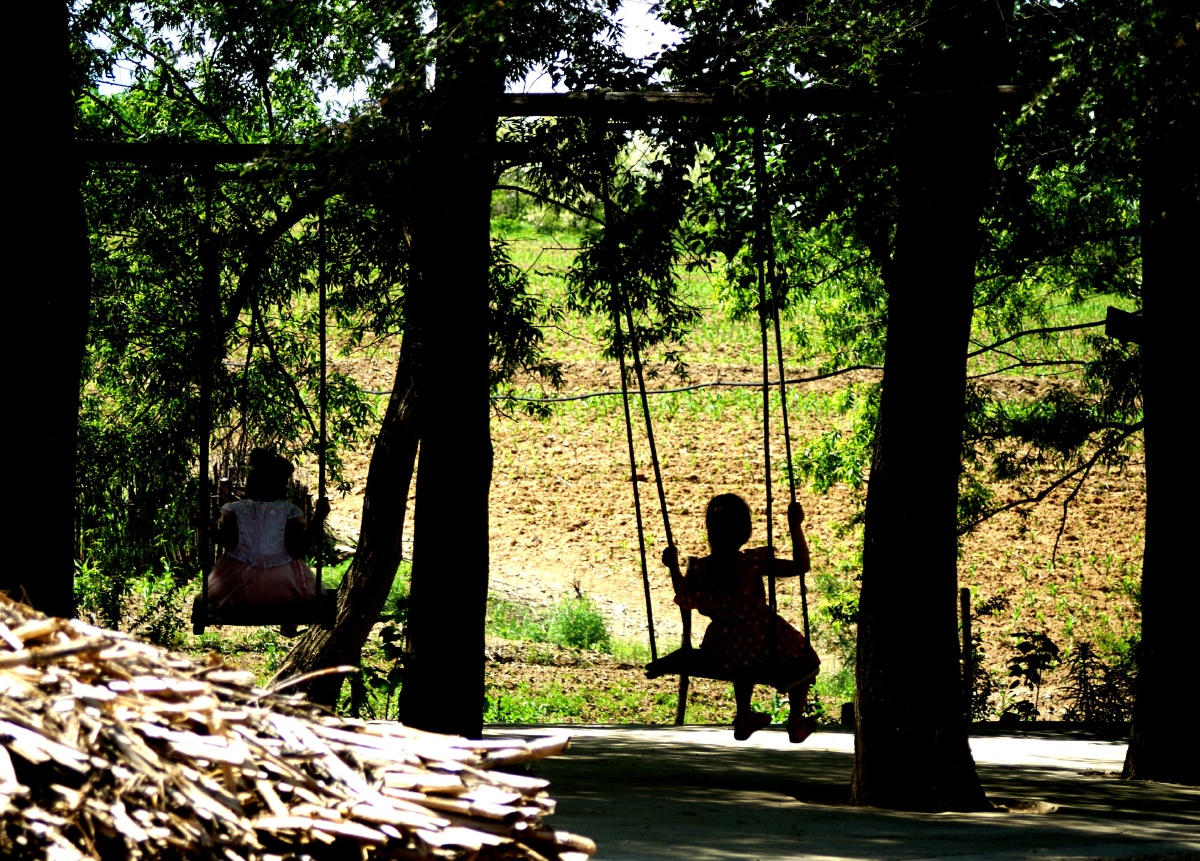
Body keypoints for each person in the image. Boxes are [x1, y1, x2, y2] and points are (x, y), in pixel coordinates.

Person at [662, 493, 820, 742]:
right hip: (764, 642)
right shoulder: (752, 563)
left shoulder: (702, 569)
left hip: (723, 647)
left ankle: (744, 714)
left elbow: (685, 598)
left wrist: (673, 567)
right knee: (805, 661)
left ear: (710, 531)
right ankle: (796, 721)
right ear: (745, 531)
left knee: (742, 664)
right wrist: (795, 526)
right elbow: (801, 566)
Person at [204, 448, 330, 630]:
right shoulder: (289, 512)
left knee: (220, 598)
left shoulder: (235, 510)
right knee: (295, 596)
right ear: (278, 485)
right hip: (282, 582)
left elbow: (229, 543)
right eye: (284, 483)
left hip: (236, 583)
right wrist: (318, 519)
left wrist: (206, 526)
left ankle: (287, 619)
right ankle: (289, 619)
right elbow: (298, 550)